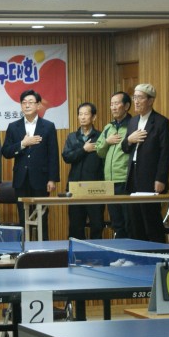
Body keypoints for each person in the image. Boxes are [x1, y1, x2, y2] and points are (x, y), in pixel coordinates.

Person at [2, 89, 60, 240]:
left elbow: (53, 154)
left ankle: (43, 250)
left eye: (30, 102)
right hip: (21, 180)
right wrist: (23, 143)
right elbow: (6, 151)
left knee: (42, 219)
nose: (27, 105)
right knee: (23, 218)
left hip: (41, 179)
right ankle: (25, 249)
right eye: (24, 103)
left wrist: (52, 179)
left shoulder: (48, 126)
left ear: (38, 105)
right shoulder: (13, 126)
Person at [121, 83, 169, 243]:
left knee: (150, 220)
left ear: (150, 100)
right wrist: (129, 140)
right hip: (133, 175)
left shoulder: (161, 122)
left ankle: (158, 254)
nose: (136, 101)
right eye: (134, 97)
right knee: (134, 220)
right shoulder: (133, 121)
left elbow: (166, 153)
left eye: (140, 98)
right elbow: (125, 148)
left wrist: (161, 178)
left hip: (150, 177)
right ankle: (138, 253)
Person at [62, 102, 104, 239]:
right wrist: (83, 150)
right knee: (75, 226)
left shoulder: (100, 136)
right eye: (80, 114)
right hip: (75, 187)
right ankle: (76, 252)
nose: (83, 117)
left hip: (95, 187)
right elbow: (67, 157)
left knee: (97, 225)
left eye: (86, 114)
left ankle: (96, 252)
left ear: (94, 117)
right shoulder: (72, 137)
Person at [95, 91, 132, 238]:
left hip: (125, 180)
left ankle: (130, 250)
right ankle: (120, 251)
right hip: (109, 182)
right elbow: (99, 151)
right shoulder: (108, 127)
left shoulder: (133, 125)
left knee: (128, 221)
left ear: (126, 106)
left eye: (117, 103)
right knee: (116, 222)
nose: (114, 107)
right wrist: (107, 141)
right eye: (111, 104)